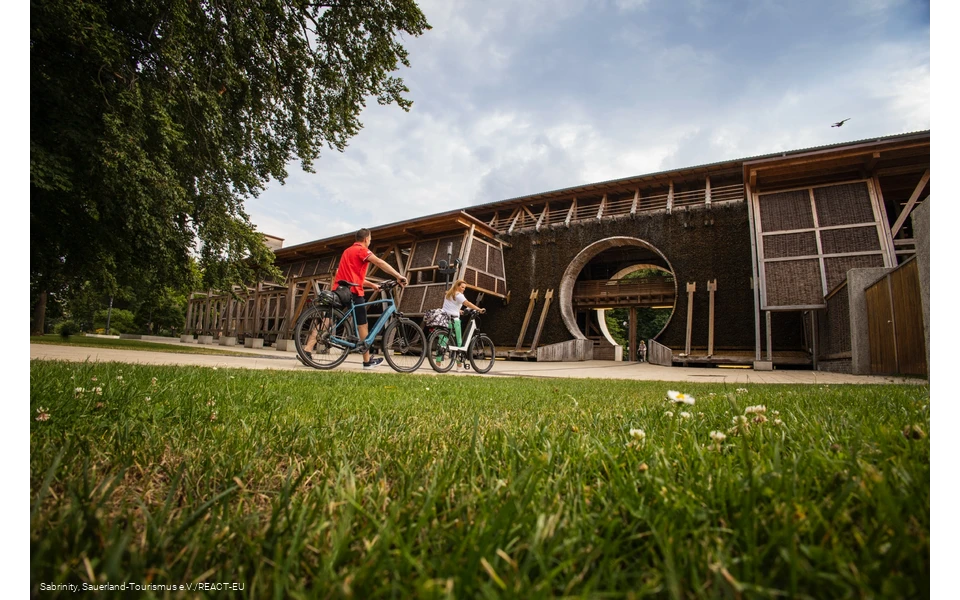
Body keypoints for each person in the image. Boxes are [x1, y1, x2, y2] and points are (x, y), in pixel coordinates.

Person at [303, 228, 407, 370]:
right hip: (354, 292)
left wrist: (372, 285)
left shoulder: (347, 251)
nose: (370, 241)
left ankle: (307, 350)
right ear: (366, 239)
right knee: (362, 325)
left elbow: (352, 277)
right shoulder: (362, 250)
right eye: (370, 239)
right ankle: (367, 361)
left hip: (340, 290)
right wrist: (398, 276)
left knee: (328, 319)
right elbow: (379, 262)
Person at [442, 279, 485, 348]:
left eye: (465, 287)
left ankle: (439, 357)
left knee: (444, 338)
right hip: (454, 319)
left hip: (444, 317)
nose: (464, 289)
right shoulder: (459, 295)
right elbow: (467, 303)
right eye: (462, 287)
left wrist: (459, 311)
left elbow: (449, 306)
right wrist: (479, 309)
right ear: (457, 286)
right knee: (458, 340)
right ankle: (459, 357)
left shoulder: (449, 294)